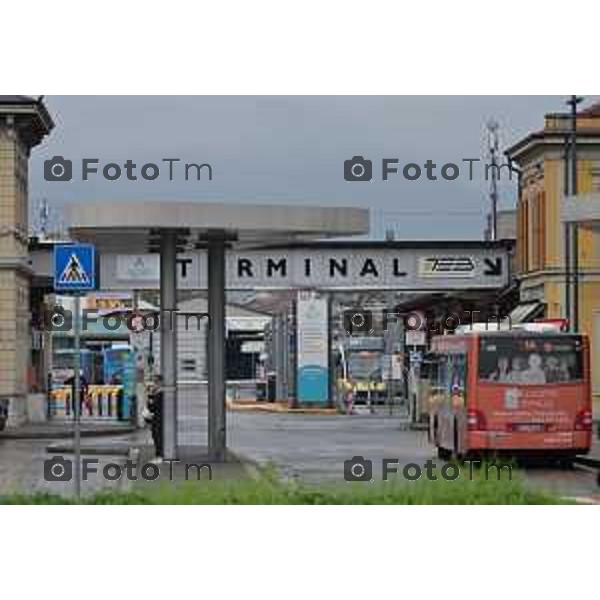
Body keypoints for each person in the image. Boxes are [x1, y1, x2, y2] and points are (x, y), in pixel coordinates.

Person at [146, 375, 164, 458]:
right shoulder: (158, 393)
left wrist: (150, 397)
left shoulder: (160, 394)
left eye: (155, 382)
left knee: (157, 436)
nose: (154, 384)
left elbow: (152, 407)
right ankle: (159, 453)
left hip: (159, 419)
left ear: (160, 382)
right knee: (156, 435)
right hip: (158, 418)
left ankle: (160, 454)